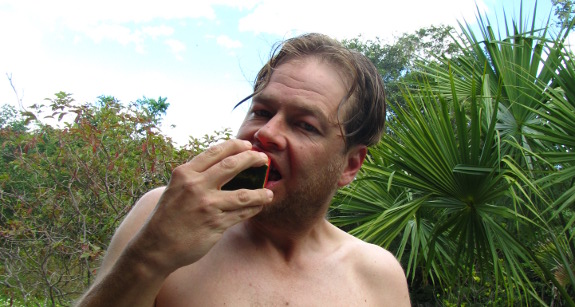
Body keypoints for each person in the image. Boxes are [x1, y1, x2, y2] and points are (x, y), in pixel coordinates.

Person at [75, 33, 410, 306]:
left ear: (350, 165)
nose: (266, 133)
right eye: (262, 111)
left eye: (304, 125)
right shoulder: (160, 213)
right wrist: (149, 255)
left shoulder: (376, 278)